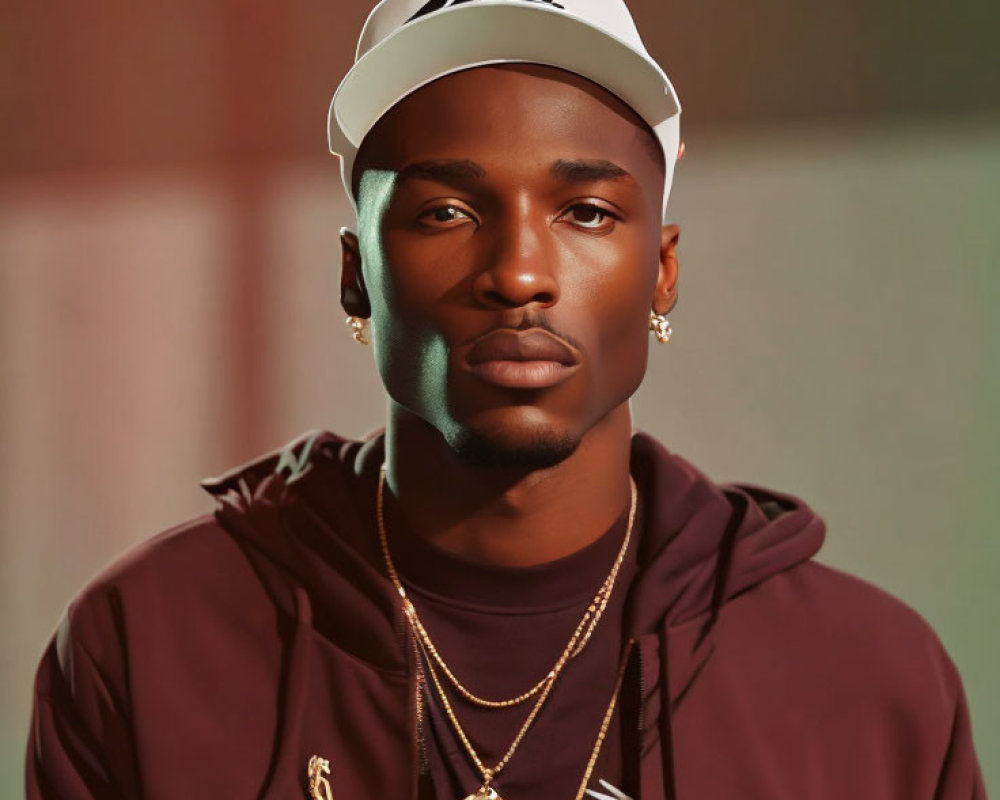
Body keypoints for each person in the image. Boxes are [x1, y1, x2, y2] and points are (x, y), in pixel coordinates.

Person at [26, 0, 986, 798]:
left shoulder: (868, 685)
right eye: (447, 210)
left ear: (661, 273)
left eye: (587, 212)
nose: (520, 272)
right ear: (357, 278)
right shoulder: (151, 651)